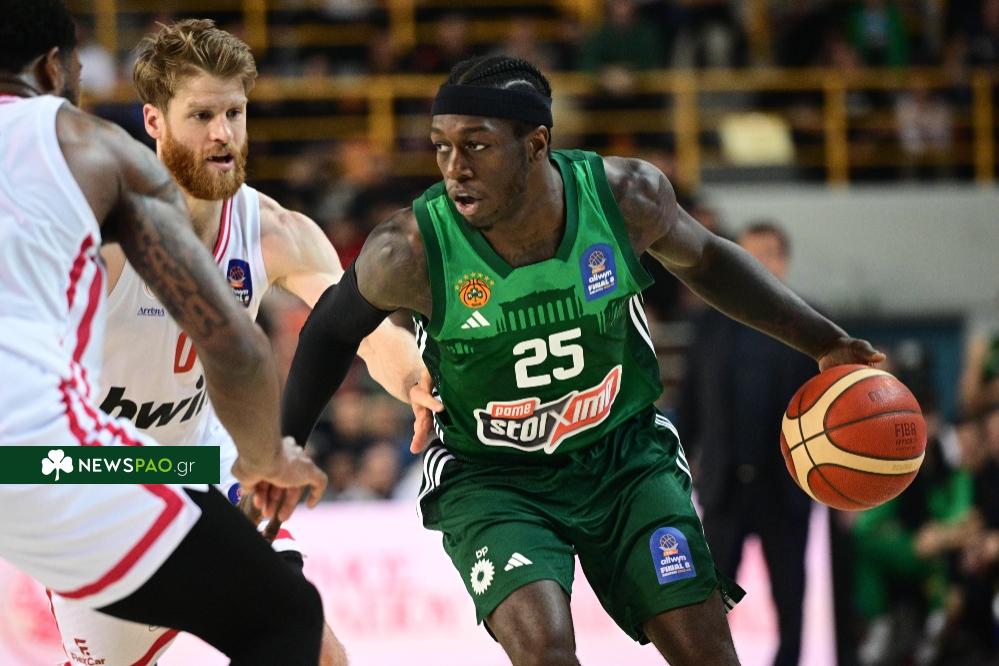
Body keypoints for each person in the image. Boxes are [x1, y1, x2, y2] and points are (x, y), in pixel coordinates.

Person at [281, 55, 885, 666]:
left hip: (624, 458)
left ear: (536, 144)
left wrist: (824, 341)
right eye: (442, 147)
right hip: (494, 477)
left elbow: (707, 260)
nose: (454, 168)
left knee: (708, 653)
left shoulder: (623, 198)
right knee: (546, 651)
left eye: (476, 146)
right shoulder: (409, 248)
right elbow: (328, 331)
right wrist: (283, 449)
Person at [46, 19, 433, 666]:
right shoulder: (101, 237)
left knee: (315, 651)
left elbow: (357, 324)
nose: (223, 133)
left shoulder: (271, 229)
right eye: (201, 116)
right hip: (98, 490)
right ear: (153, 121)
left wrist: (418, 384)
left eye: (234, 113)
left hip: (207, 467)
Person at [0, 2, 328, 664]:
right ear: (53, 67)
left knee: (311, 637)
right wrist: (268, 456)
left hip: (173, 457)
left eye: (232, 113)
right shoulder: (87, 149)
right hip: (61, 461)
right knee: (286, 621)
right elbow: (233, 346)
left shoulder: (269, 226)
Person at [676, 221, 816, 666]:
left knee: (790, 601)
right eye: (747, 254)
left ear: (783, 261)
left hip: (784, 491)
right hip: (725, 490)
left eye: (767, 254)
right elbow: (690, 404)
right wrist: (676, 463)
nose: (756, 263)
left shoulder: (809, 326)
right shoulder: (709, 325)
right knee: (713, 605)